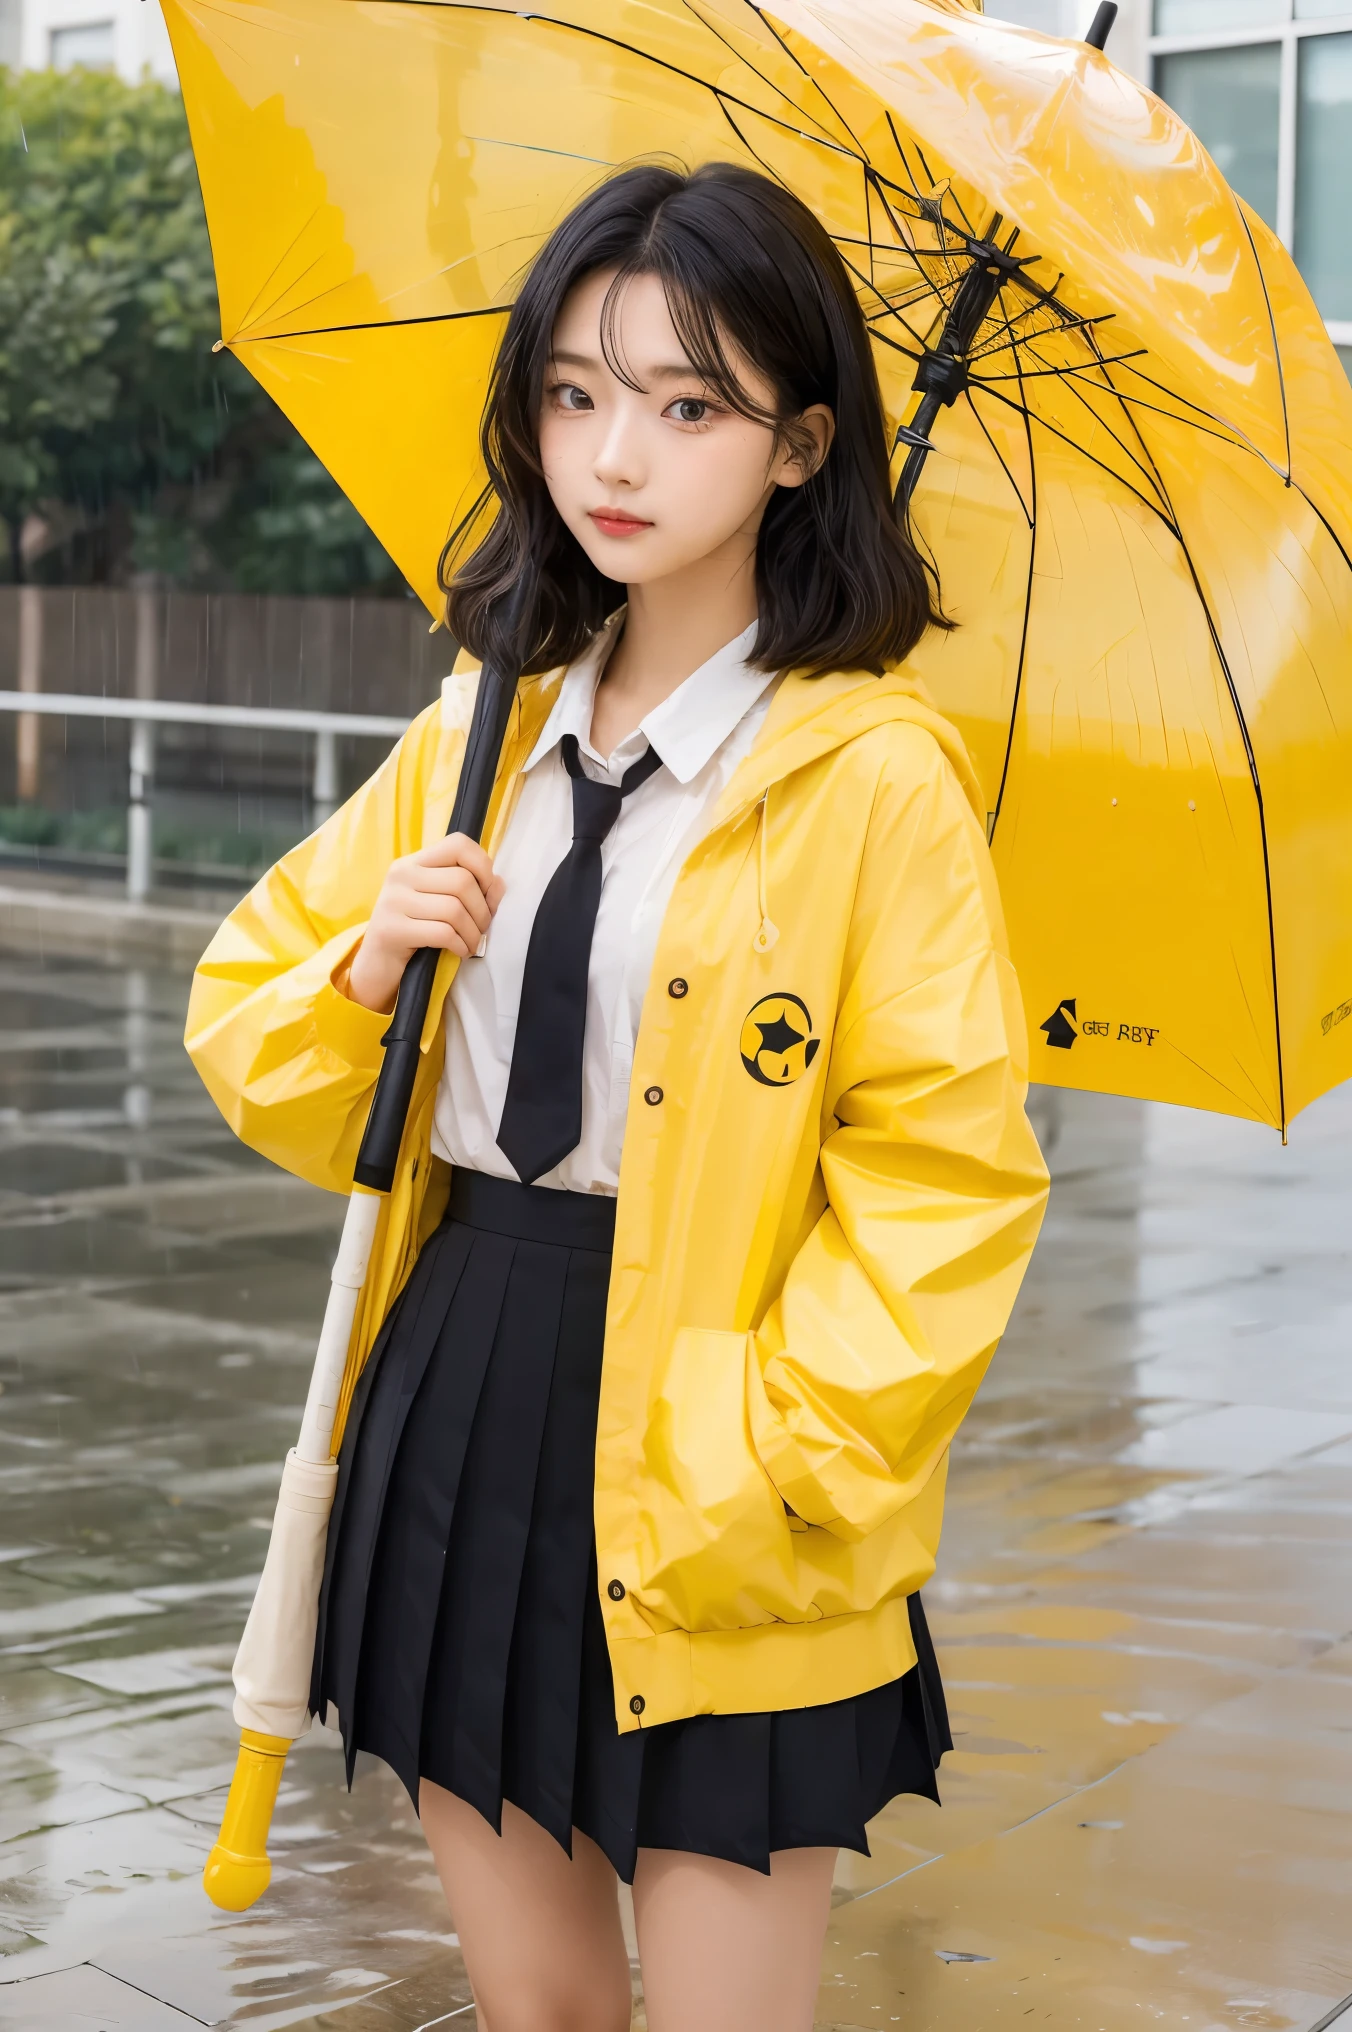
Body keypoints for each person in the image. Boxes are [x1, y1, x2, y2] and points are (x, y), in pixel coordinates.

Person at [186, 161, 1049, 2032]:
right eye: (575, 391)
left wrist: (777, 1458)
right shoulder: (479, 722)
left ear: (804, 446)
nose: (616, 453)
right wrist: (367, 970)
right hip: (466, 1388)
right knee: (544, 2015)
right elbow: (244, 1021)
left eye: (688, 404)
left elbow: (946, 1186)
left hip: (730, 1437)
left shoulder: (874, 781)